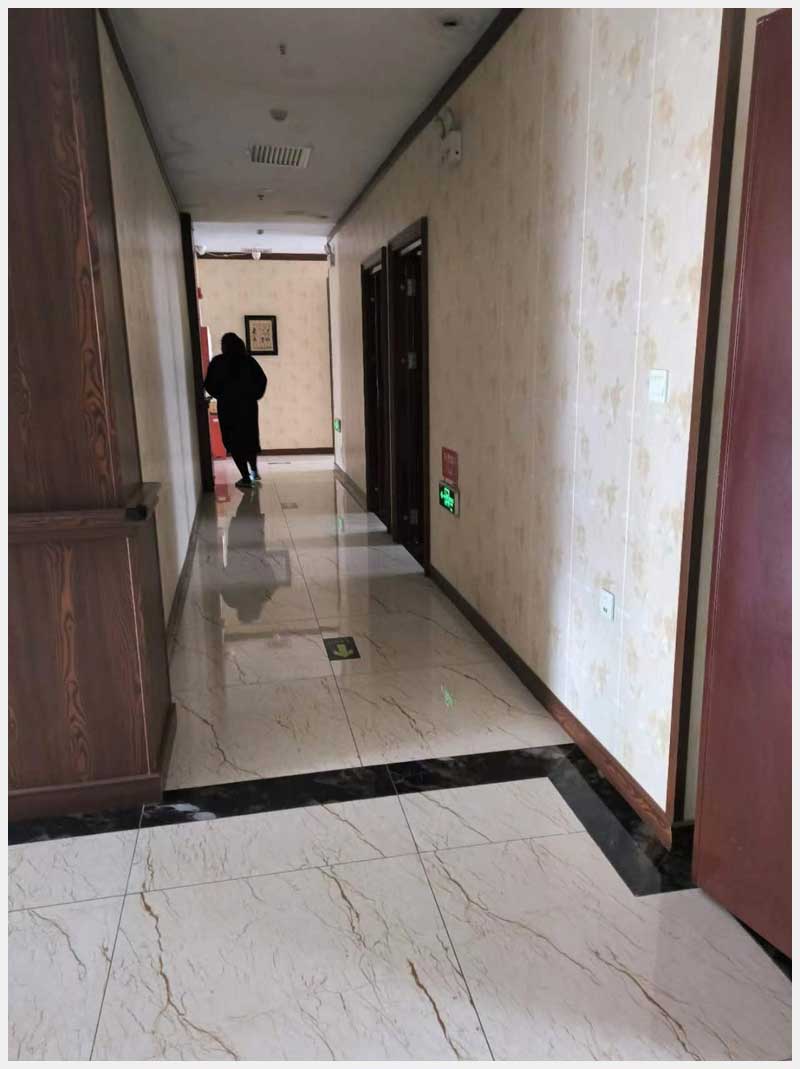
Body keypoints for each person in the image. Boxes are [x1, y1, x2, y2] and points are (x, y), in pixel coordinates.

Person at [204, 332, 267, 489]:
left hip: (228, 408)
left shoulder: (218, 362)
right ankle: (254, 470)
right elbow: (262, 379)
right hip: (248, 407)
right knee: (249, 438)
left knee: (233, 442)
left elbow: (209, 384)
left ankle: (246, 477)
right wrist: (254, 395)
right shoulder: (248, 361)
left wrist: (221, 395)